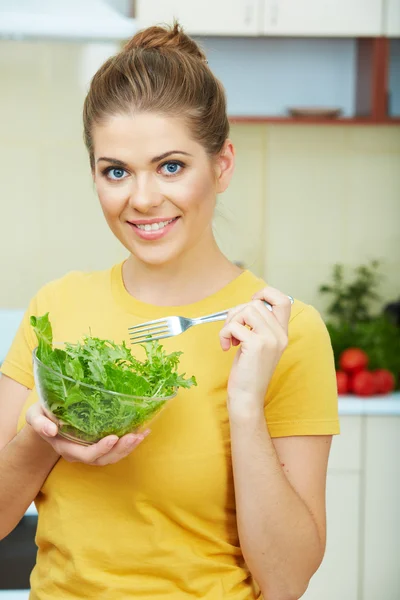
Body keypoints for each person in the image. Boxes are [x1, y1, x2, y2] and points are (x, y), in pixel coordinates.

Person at [0, 22, 339, 600]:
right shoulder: (55, 309)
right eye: (116, 171)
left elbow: (286, 582)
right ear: (95, 175)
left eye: (171, 166)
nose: (143, 198)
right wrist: (42, 439)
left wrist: (245, 404)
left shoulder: (283, 334)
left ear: (222, 165)